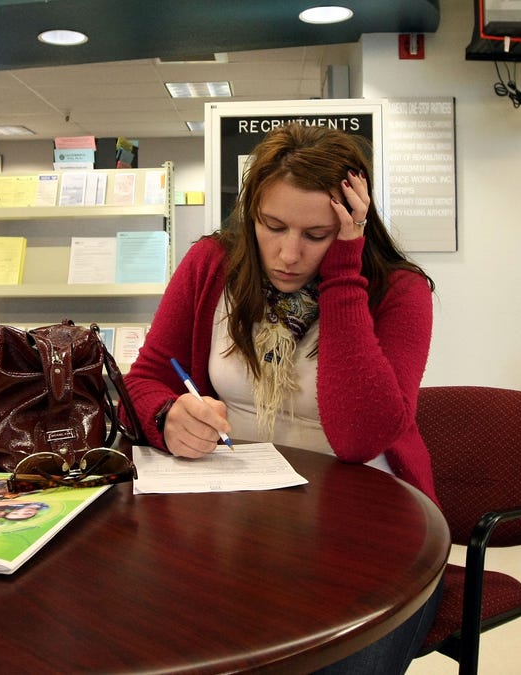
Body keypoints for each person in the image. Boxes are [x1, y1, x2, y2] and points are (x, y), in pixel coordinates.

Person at [122, 123, 440, 674]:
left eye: (315, 234)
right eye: (272, 226)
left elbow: (360, 437)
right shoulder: (211, 265)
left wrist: (344, 271)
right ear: (250, 215)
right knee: (167, 632)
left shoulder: (401, 291)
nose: (288, 254)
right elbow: (145, 378)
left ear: (351, 222)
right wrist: (165, 414)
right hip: (236, 514)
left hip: (369, 526)